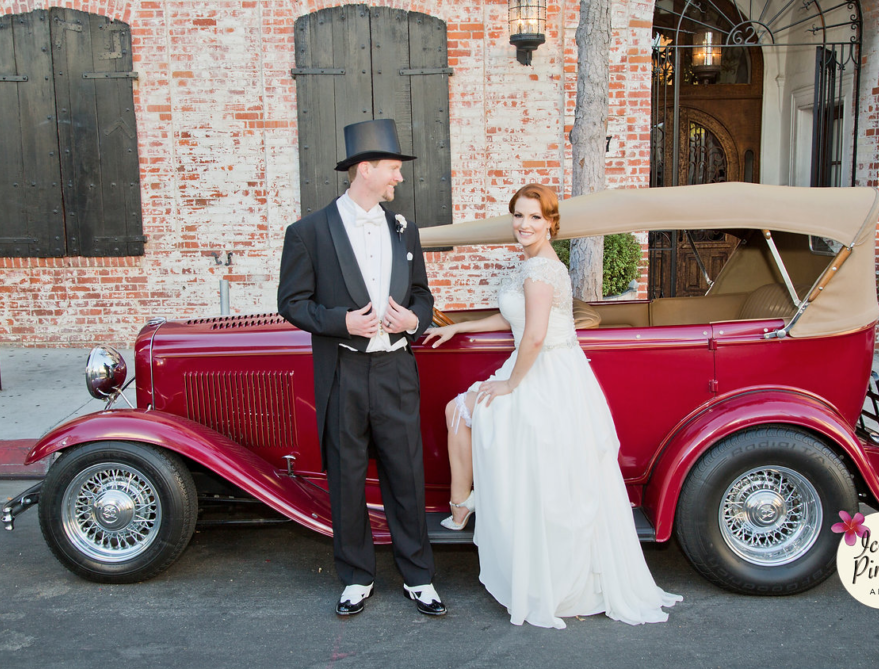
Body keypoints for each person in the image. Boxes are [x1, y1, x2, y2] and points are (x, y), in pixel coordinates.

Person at [423, 183, 681, 629]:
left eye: (534, 218)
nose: (524, 225)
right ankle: (463, 504)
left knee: (466, 411)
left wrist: (510, 387)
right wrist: (458, 329)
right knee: (459, 410)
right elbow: (511, 316)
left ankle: (464, 506)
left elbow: (536, 335)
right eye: (518, 216)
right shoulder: (533, 264)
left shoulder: (540, 270)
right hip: (541, 366)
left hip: (545, 371)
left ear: (551, 224)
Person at [278, 119, 445, 617]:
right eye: (393, 169)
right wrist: (341, 321)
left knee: (406, 476)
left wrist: (415, 318)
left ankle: (419, 577)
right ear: (365, 169)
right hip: (343, 374)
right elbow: (291, 302)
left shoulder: (404, 228)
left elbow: (423, 294)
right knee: (348, 479)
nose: (399, 178)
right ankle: (355, 576)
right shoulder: (307, 232)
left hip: (396, 371)